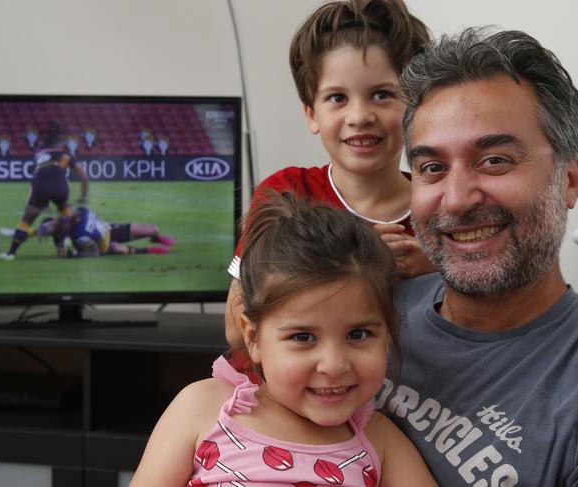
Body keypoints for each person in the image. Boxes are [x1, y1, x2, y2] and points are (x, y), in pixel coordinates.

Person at [377, 27, 578, 486]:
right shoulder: (364, 310)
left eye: (494, 161)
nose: (456, 200)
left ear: (569, 180)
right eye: (432, 168)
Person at [129, 190, 437, 487]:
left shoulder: (379, 439)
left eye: (358, 334)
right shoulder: (204, 407)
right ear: (253, 338)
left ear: (388, 333)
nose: (333, 365)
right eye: (303, 337)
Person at [225, 0, 434, 346]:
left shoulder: (441, 201)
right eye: (337, 98)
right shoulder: (286, 193)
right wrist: (358, 262)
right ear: (311, 114)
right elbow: (235, 329)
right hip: (287, 396)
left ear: (415, 106)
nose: (359, 115)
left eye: (382, 94)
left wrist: (435, 271)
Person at [0, 121, 89, 260]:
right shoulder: (66, 155)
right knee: (66, 211)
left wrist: (35, 202)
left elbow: (35, 179)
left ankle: (11, 253)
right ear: (60, 142)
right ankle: (66, 240)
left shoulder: (39, 155)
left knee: (26, 220)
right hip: (60, 186)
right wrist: (83, 196)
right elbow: (83, 176)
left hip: (40, 187)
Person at [37, 206, 175, 257]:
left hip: (110, 228)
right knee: (117, 248)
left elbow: (76, 211)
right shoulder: (61, 243)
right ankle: (148, 251)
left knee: (153, 229)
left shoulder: (71, 216)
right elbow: (94, 252)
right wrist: (75, 253)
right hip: (100, 244)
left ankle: (155, 238)